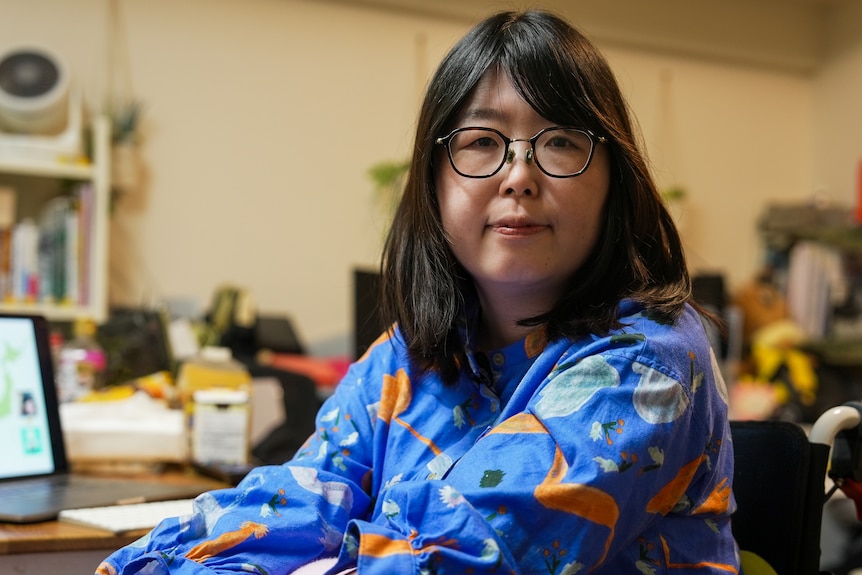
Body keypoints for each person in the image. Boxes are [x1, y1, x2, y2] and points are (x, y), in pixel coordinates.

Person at [97, 9, 739, 575]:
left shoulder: (649, 363)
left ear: (613, 179)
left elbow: (458, 557)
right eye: (482, 142)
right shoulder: (411, 355)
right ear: (433, 182)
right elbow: (294, 501)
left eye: (562, 141)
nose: (518, 175)